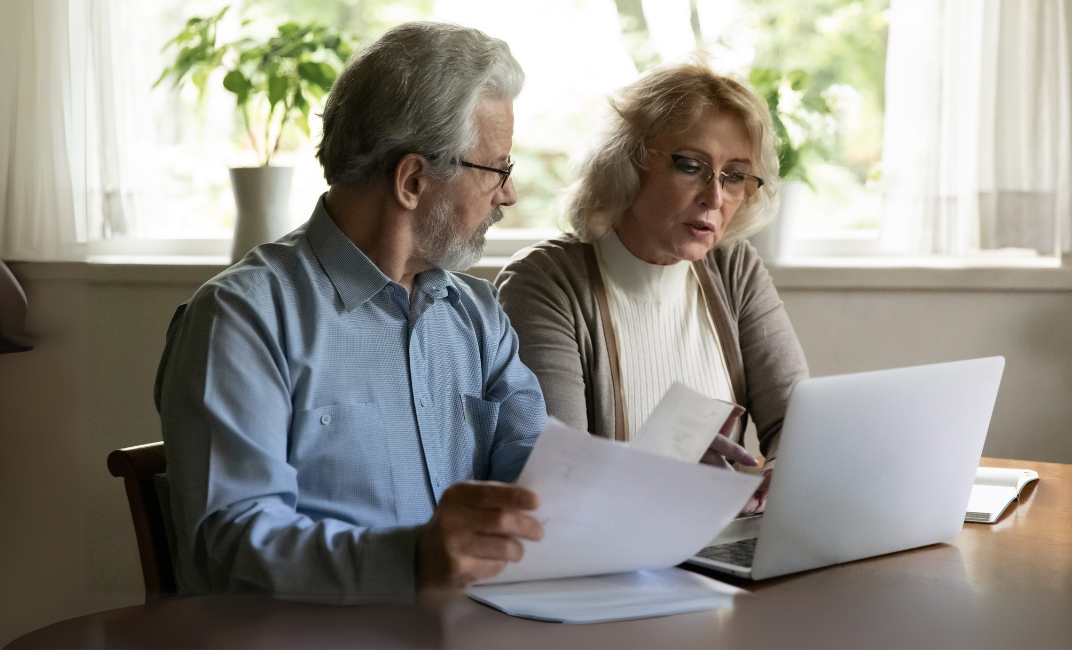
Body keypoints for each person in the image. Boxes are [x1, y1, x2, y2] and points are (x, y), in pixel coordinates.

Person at [155, 22, 547, 603]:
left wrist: (667, 481)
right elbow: (229, 547)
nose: (508, 194)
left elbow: (541, 481)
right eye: (497, 169)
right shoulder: (242, 317)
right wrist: (412, 561)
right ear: (413, 179)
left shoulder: (476, 314)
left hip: (473, 630)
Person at [496, 62, 809, 512]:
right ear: (627, 162)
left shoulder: (733, 267)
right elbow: (558, 476)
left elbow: (797, 423)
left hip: (713, 540)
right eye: (690, 166)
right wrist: (667, 469)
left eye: (735, 176)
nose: (715, 198)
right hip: (604, 557)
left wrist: (788, 467)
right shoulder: (545, 281)